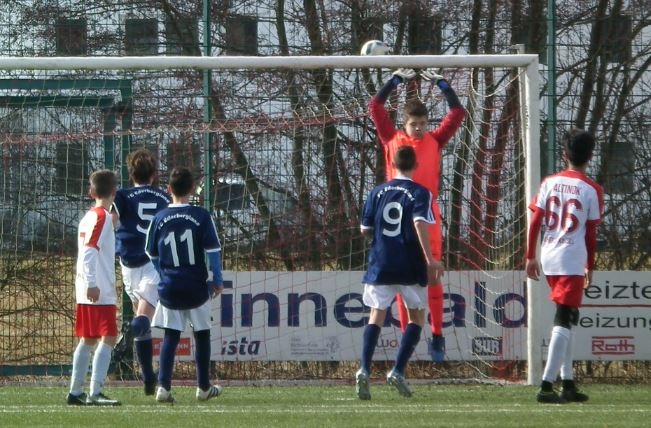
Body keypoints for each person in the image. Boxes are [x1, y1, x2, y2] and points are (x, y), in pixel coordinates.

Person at [369, 67, 465, 362]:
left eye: (423, 123)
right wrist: (394, 82)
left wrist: (442, 84)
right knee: (400, 279)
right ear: (405, 124)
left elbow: (458, 112)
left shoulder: (435, 140)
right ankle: (406, 339)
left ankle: (437, 335)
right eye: (414, 124)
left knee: (432, 274)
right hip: (397, 218)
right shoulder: (392, 138)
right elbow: (375, 106)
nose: (420, 129)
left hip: (428, 215)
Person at [355, 146, 445, 400]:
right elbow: (419, 222)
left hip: (381, 261)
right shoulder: (420, 192)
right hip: (409, 263)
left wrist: (382, 238)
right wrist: (430, 260)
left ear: (392, 164)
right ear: (415, 166)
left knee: (376, 315)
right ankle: (397, 370)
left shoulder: (376, 192)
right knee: (417, 316)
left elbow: (365, 229)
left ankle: (364, 368)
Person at [526, 128, 603, 404]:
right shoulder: (592, 189)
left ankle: (568, 382)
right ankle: (547, 385)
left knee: (568, 318)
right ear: (590, 157)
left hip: (548, 254)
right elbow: (591, 233)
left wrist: (530, 256)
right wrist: (590, 264)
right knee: (565, 318)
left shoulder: (549, 182)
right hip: (571, 257)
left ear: (564, 154)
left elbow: (535, 220)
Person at [145, 167, 224, 403]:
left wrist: (164, 274)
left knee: (171, 335)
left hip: (170, 286)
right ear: (192, 190)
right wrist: (217, 280)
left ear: (168, 189)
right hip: (196, 286)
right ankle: (203, 387)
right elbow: (213, 251)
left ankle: (163, 387)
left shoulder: (159, 218)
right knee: (202, 334)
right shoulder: (201, 216)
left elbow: (151, 254)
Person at [112, 149, 171, 395]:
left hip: (127, 265)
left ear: (131, 173)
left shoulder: (123, 196)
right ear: (155, 174)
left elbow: (111, 222)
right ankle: (126, 334)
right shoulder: (163, 197)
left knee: (143, 320)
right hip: (152, 263)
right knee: (141, 321)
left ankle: (148, 378)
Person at [67, 169, 121, 406]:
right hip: (97, 289)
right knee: (109, 336)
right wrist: (92, 284)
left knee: (88, 339)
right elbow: (90, 250)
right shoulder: (102, 217)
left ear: (91, 192)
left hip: (87, 287)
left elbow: (94, 245)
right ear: (114, 192)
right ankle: (94, 392)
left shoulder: (91, 216)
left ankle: (75, 392)